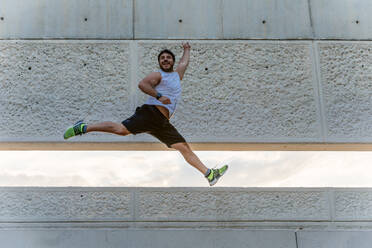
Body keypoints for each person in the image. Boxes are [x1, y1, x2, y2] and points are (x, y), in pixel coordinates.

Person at [63, 42, 228, 186]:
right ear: (159, 62)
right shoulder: (158, 75)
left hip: (161, 122)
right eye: (162, 58)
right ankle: (83, 128)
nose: (165, 59)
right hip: (151, 113)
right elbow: (142, 84)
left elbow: (185, 62)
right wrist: (159, 96)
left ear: (173, 61)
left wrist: (187, 49)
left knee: (183, 147)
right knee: (122, 130)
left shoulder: (177, 76)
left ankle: (209, 174)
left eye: (168, 57)